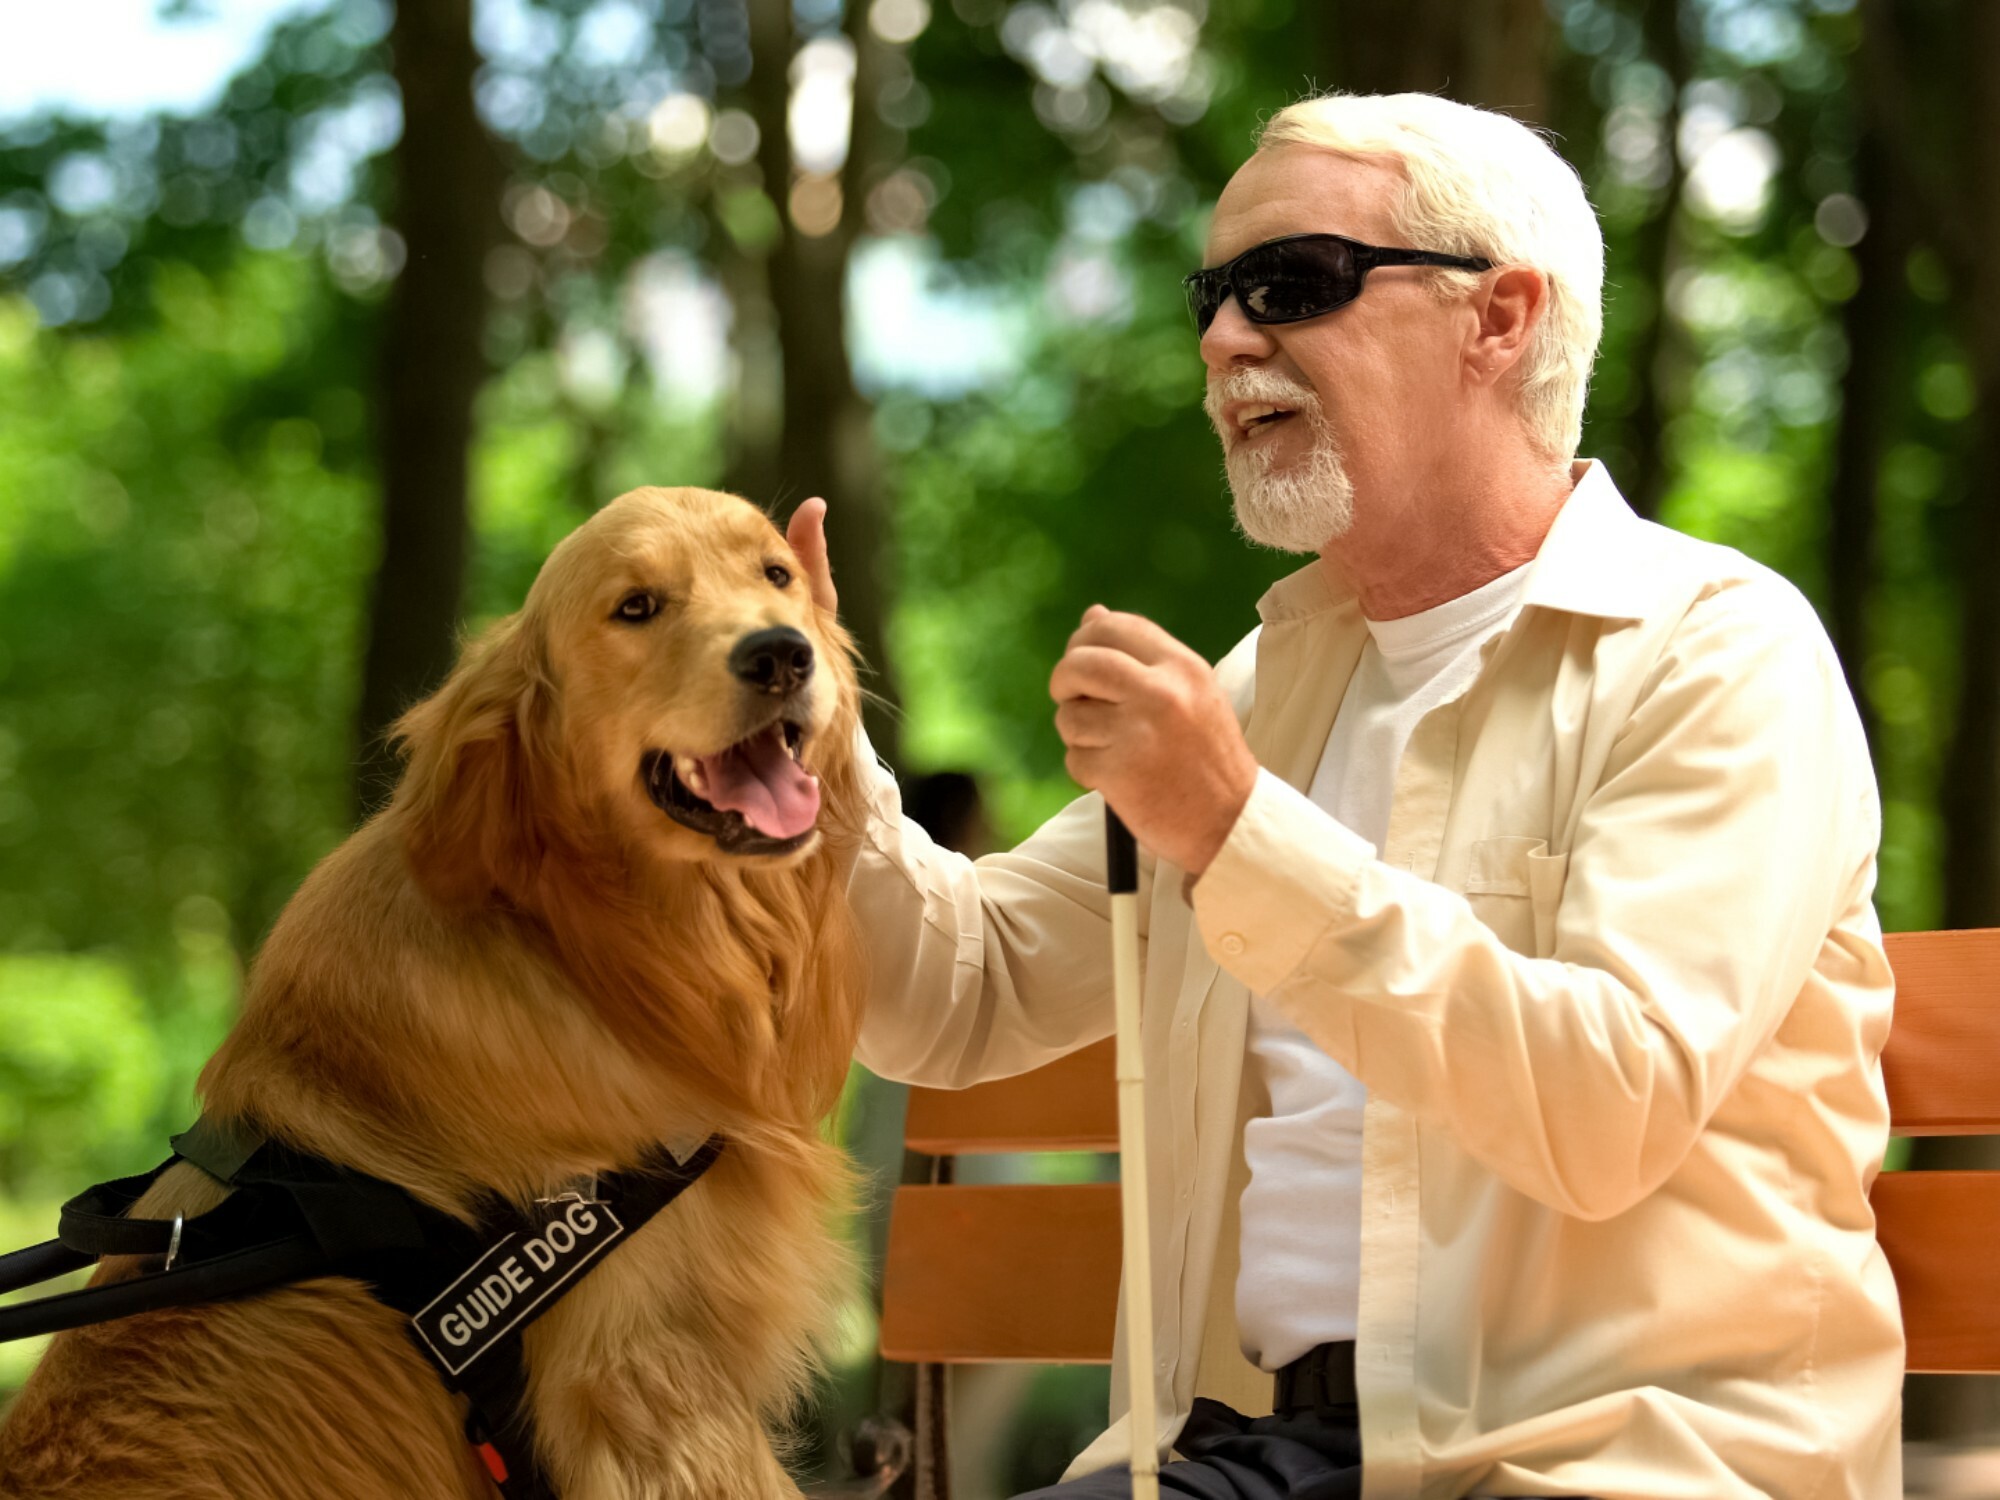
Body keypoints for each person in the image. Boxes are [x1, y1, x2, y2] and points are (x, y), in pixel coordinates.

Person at [787, 91, 1901, 1500]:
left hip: (1617, 1462)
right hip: (1243, 1454)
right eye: (1213, 294)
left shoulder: (1718, 650)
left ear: (1498, 318)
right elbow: (964, 992)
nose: (1224, 338)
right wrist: (800, 743)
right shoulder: (1274, 684)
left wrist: (1236, 834)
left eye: (1290, 284)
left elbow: (1607, 1106)